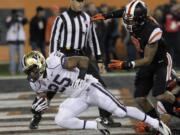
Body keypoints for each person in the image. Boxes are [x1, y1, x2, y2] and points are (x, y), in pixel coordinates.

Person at [22, 50, 171, 135]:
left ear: (41, 63)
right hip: (76, 97)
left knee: (120, 111)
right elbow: (42, 97)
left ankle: (156, 123)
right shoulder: (35, 82)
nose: (32, 74)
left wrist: (80, 77)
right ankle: (95, 126)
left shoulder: (54, 63)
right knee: (60, 119)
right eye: (29, 71)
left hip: (89, 87)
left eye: (32, 69)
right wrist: (37, 108)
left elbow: (84, 60)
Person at [92, 0, 180, 132]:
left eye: (131, 20)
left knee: (160, 94)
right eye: (128, 19)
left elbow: (147, 59)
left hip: (161, 61)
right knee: (139, 97)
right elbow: (123, 13)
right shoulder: (135, 19)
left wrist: (126, 64)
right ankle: (155, 122)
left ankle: (178, 105)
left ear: (140, 19)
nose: (128, 22)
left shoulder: (152, 30)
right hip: (147, 61)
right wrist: (107, 15)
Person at [29, 0, 117, 130]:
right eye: (77, 1)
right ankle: (36, 114)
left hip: (80, 56)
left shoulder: (87, 18)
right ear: (71, 1)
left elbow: (92, 39)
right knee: (50, 88)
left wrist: (99, 59)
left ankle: (105, 117)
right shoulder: (62, 18)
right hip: (63, 55)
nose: (80, 4)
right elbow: (54, 38)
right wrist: (52, 60)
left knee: (100, 84)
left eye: (82, 1)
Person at [6, 9, 28, 75]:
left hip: (20, 40)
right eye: (15, 13)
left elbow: (25, 21)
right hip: (12, 40)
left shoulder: (20, 18)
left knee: (21, 56)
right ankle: (12, 70)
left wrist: (22, 17)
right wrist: (13, 19)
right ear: (12, 14)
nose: (16, 15)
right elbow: (7, 25)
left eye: (17, 14)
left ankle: (21, 70)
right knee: (12, 56)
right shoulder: (9, 18)